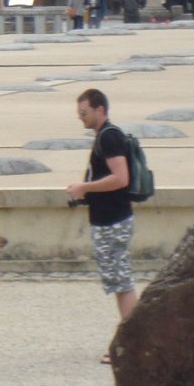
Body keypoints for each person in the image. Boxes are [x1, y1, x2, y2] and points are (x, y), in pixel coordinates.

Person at [65, 88, 138, 363]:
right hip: (110, 219)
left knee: (122, 283)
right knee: (120, 282)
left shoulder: (109, 137)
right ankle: (133, 338)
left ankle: (132, 341)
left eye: (84, 113)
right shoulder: (106, 136)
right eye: (79, 114)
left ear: (99, 110)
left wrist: (84, 187)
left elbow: (121, 178)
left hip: (113, 221)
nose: (81, 119)